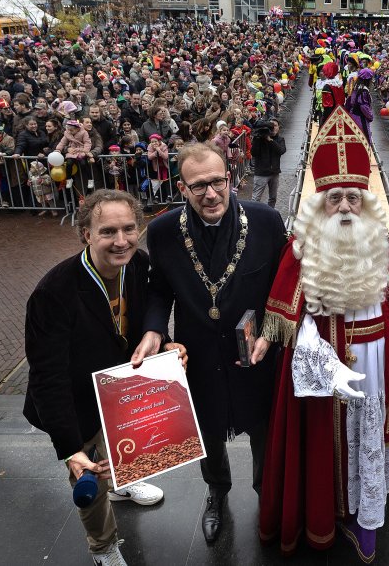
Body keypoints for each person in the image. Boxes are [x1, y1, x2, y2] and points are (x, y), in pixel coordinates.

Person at [259, 109, 389, 561]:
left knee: (374, 436)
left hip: (382, 363)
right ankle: (331, 510)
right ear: (320, 202)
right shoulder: (302, 246)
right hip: (329, 367)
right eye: (335, 198)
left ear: (367, 200)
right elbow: (289, 318)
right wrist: (318, 356)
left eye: (354, 197)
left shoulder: (382, 241)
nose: (346, 207)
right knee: (331, 441)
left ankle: (368, 508)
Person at [138, 141, 286, 544]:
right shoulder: (164, 231)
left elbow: (284, 289)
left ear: (230, 178)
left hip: (256, 351)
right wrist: (155, 330)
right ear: (182, 188)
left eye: (218, 182)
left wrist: (272, 333)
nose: (211, 193)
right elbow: (158, 290)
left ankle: (264, 493)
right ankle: (217, 492)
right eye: (198, 185)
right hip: (198, 354)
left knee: (261, 428)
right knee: (205, 430)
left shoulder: (267, 221)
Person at [23, 190, 163, 566]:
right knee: (92, 472)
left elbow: (151, 306)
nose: (121, 241)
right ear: (86, 234)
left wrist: (164, 341)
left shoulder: (138, 264)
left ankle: (125, 482)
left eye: (129, 228)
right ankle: (103, 547)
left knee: (126, 448)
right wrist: (71, 449)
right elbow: (47, 377)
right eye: (108, 231)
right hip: (78, 399)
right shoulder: (53, 293)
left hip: (120, 389)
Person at [249, 118, 285, 209]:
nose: (273, 128)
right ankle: (253, 215)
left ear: (278, 128)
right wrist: (257, 139)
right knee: (256, 198)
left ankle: (270, 213)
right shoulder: (259, 138)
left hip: (274, 173)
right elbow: (254, 153)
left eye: (275, 126)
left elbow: (281, 151)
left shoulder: (280, 139)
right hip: (261, 173)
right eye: (271, 126)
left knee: (273, 198)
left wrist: (270, 140)